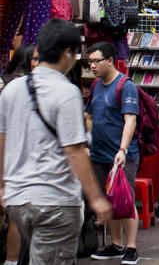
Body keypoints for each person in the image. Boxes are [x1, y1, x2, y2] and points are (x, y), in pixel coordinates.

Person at [0, 19, 112, 263]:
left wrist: (3, 185)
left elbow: (2, 142)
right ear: (67, 53)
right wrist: (95, 198)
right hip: (54, 201)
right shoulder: (66, 92)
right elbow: (74, 151)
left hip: (19, 199)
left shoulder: (11, 90)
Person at [86, 42, 140, 264]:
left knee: (125, 202)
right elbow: (89, 116)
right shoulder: (96, 85)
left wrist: (122, 150)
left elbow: (130, 120)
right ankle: (116, 244)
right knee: (109, 202)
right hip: (98, 155)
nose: (92, 66)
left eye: (96, 61)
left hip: (120, 157)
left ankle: (131, 247)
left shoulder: (125, 85)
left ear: (110, 60)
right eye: (90, 62)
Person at [0, 44, 36, 265]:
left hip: (9, 153)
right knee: (16, 215)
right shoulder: (26, 88)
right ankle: (12, 260)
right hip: (18, 155)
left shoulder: (5, 83)